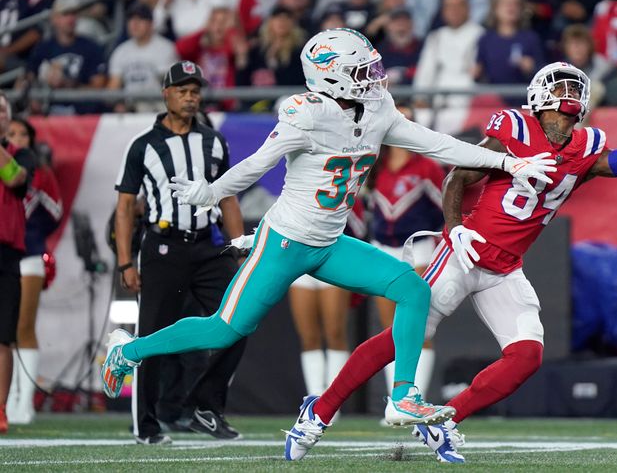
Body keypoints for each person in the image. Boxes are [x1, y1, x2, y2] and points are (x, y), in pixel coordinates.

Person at [99, 28, 558, 450]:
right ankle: (129, 350)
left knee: (413, 288)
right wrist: (214, 192)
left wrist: (506, 164)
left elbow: (434, 142)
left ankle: (403, 395)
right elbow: (259, 162)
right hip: (284, 242)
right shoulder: (306, 113)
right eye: (361, 72)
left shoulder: (377, 108)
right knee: (226, 328)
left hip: (330, 243)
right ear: (330, 77)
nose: (373, 78)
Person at [290, 49, 617, 463]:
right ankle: (317, 414)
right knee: (397, 339)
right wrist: (454, 228)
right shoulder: (513, 128)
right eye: (560, 89)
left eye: (575, 90)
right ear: (538, 97)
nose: (568, 97)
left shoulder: (587, 150)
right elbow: (458, 176)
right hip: (464, 252)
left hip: (505, 269)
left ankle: (444, 422)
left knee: (526, 356)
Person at [112, 61, 247, 445]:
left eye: (195, 91)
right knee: (152, 335)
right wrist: (126, 260)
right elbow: (125, 207)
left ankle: (205, 407)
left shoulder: (213, 141)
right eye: (183, 91)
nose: (191, 98)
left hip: (207, 245)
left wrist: (238, 249)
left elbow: (228, 198)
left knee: (240, 319)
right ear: (166, 94)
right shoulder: (143, 145)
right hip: (163, 246)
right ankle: (146, 423)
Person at [366, 104, 444, 399]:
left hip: (418, 250)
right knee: (390, 330)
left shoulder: (427, 168)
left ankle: (414, 396)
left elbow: (445, 210)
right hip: (382, 249)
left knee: (419, 327)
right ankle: (394, 401)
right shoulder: (375, 165)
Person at [5, 117, 62, 425]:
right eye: (11, 133)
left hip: (28, 255)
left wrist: (29, 231)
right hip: (5, 254)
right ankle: (8, 399)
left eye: (21, 134)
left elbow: (55, 211)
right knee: (5, 331)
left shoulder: (39, 173)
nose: (16, 137)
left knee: (23, 327)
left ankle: (24, 402)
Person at [288, 200, 366, 405]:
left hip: (333, 261)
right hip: (300, 265)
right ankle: (314, 399)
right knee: (308, 336)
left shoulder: (343, 189)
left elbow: (359, 229)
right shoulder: (296, 191)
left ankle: (332, 402)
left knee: (335, 333)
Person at [0, 92, 36, 434]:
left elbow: (14, 179)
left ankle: (0, 409)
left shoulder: (21, 155)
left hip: (6, 253)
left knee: (3, 336)